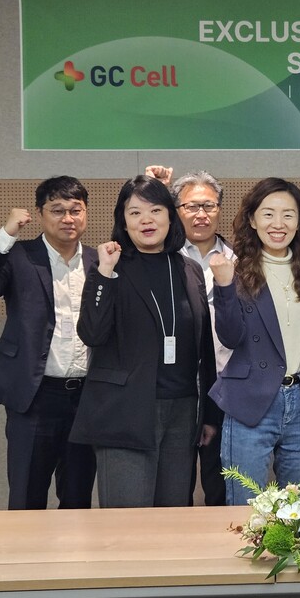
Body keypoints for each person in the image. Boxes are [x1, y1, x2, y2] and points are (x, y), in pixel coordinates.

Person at [70, 175, 218, 508]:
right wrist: (103, 274)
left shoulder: (190, 269)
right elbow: (91, 334)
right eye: (135, 213)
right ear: (123, 220)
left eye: (155, 210)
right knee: (126, 520)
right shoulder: (110, 267)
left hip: (182, 411)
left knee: (174, 513)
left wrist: (209, 414)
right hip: (125, 409)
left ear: (170, 215)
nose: (146, 220)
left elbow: (203, 347)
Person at [0, 176, 96, 510]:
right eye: (57, 210)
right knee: (26, 497)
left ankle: (73, 562)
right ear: (40, 214)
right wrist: (7, 232)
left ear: (85, 214)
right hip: (34, 396)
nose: (68, 218)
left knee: (78, 496)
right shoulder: (20, 255)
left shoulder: (100, 261)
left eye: (75, 210)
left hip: (86, 398)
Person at [208, 178, 300, 504]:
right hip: (251, 404)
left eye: (288, 215)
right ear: (252, 219)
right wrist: (223, 286)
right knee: (244, 508)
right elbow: (230, 337)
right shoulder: (236, 270)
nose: (278, 224)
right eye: (268, 214)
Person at [154, 168, 235, 506]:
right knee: (174, 488)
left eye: (209, 206)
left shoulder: (240, 259)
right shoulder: (162, 259)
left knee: (221, 487)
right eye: (191, 207)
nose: (201, 214)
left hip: (228, 387)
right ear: (176, 211)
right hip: (177, 388)